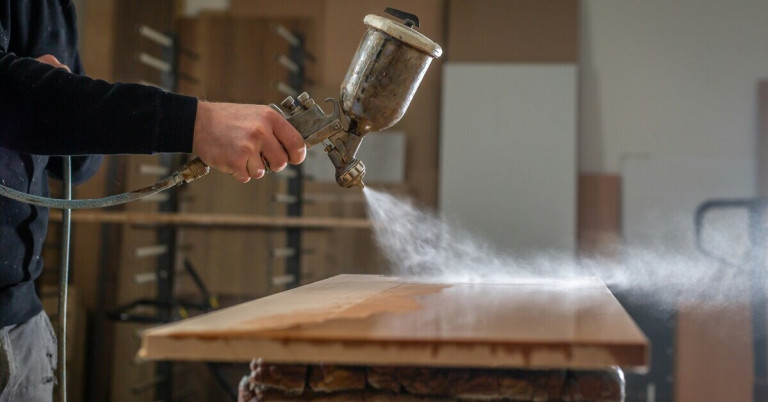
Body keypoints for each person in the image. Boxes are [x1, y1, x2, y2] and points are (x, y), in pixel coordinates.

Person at [0, 1, 306, 401]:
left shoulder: (58, 8)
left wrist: (63, 102)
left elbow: (78, 165)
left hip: (22, 316)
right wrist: (197, 123)